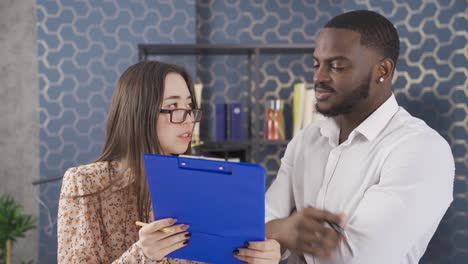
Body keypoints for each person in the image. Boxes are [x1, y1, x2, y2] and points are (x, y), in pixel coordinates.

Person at [265, 10, 454, 264]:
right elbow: (257, 233)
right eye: (316, 64)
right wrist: (284, 231)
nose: (319, 77)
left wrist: (284, 232)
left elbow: (356, 258)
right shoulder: (307, 138)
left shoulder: (423, 150)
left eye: (337, 66)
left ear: (383, 70)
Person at [57, 61, 281, 263]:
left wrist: (258, 260)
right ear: (139, 113)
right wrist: (142, 255)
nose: (189, 119)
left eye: (189, 107)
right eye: (173, 107)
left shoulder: (204, 183)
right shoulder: (84, 182)